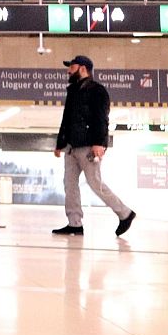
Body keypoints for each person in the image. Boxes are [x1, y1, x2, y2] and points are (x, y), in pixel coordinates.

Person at [52, 56, 135, 237]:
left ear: (82, 68)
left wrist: (100, 143)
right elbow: (66, 120)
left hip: (89, 146)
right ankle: (74, 223)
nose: (68, 71)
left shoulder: (97, 90)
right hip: (71, 147)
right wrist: (60, 144)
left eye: (71, 67)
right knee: (69, 184)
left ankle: (125, 213)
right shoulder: (73, 91)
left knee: (95, 183)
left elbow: (101, 118)